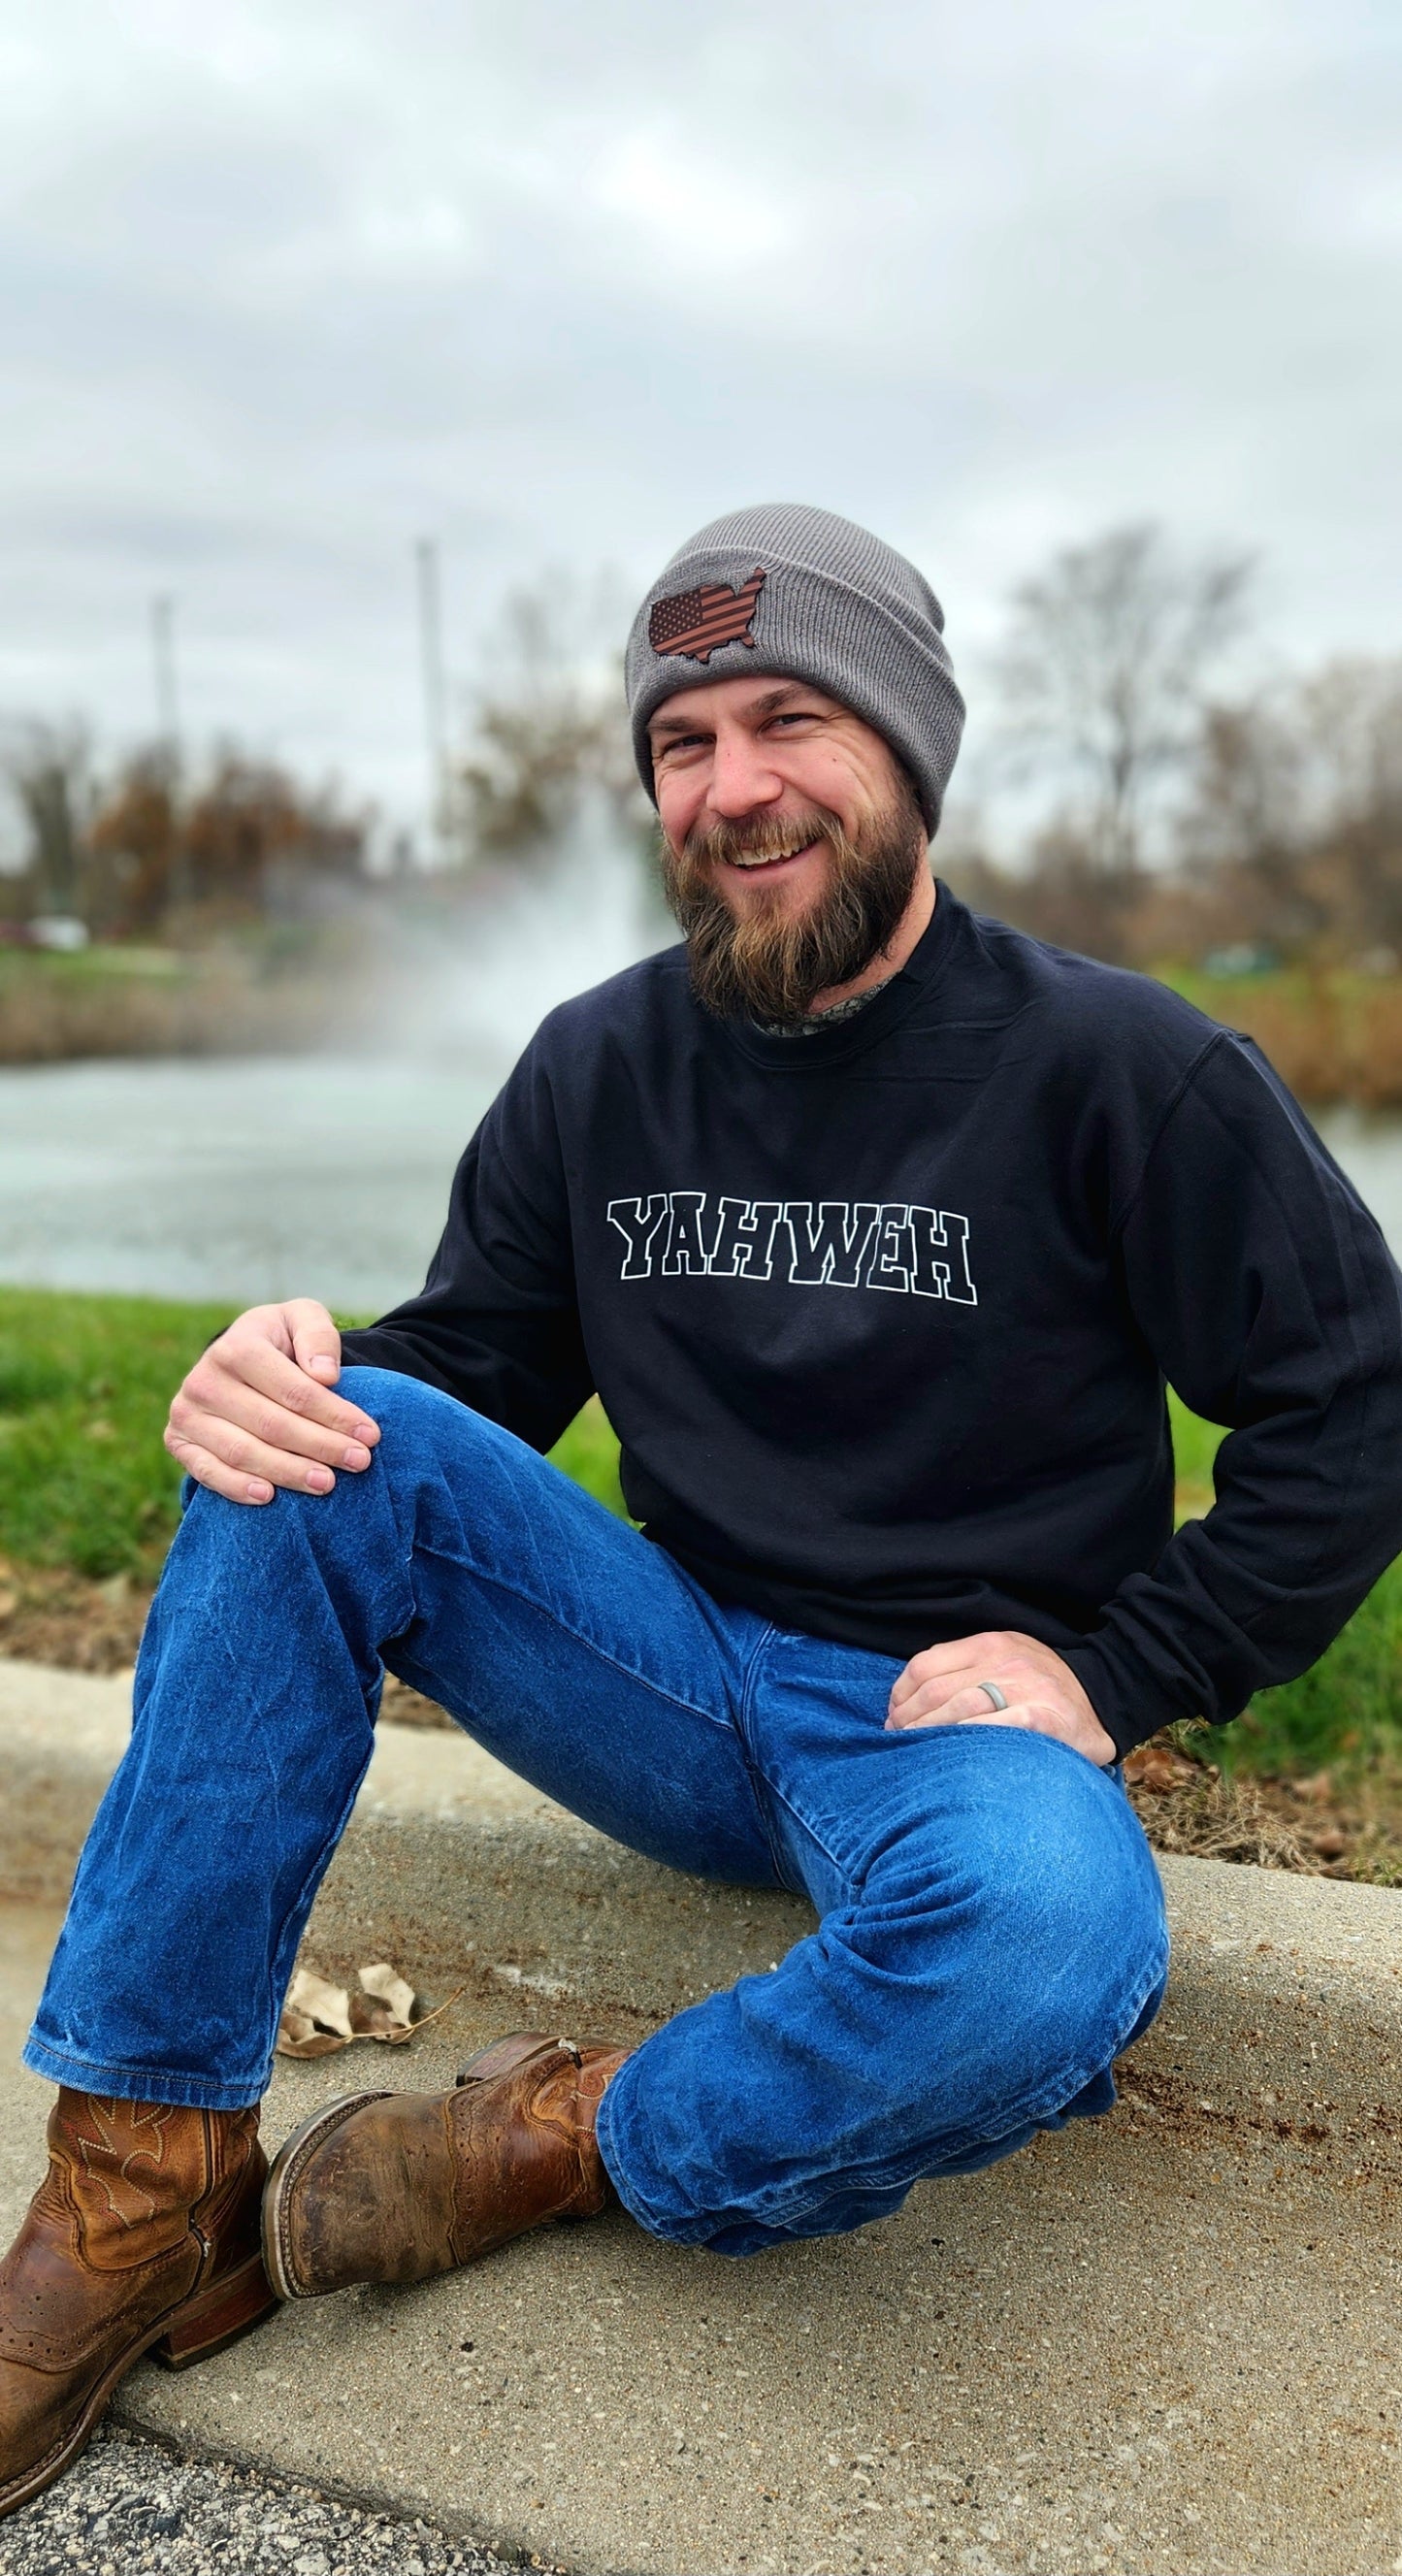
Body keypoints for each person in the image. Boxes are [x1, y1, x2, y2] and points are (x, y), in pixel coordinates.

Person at [4, 504, 1401, 2518]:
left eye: (791, 719)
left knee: (1045, 1947)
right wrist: (286, 1372)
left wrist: (1127, 1672)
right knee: (318, 1439)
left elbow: (1354, 1394)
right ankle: (137, 2192)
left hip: (948, 1729)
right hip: (663, 1671)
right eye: (685, 741)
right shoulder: (598, 1066)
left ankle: (560, 2138)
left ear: (908, 750)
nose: (734, 785)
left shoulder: (1125, 1066)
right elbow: (464, 1369)